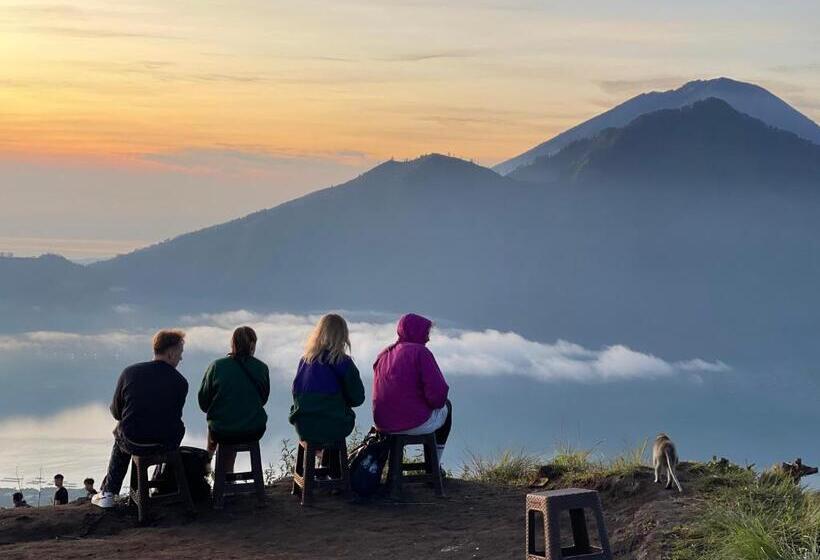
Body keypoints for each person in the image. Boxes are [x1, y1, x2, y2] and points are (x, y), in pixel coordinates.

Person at [92, 329, 189, 509]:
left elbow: (116, 411)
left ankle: (108, 492)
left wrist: (122, 422)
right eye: (180, 353)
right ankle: (158, 482)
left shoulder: (130, 373)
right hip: (166, 443)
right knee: (170, 427)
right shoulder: (180, 382)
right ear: (171, 352)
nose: (180, 358)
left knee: (121, 429)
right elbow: (173, 414)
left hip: (134, 442)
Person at [372, 313, 452, 462]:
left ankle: (395, 472)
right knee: (447, 406)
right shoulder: (421, 353)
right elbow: (438, 395)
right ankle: (434, 465)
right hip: (412, 422)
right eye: (426, 333)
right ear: (416, 331)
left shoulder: (383, 354)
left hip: (382, 424)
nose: (428, 338)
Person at [198, 326, 270, 472]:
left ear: (233, 344)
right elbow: (263, 399)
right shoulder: (262, 368)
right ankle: (227, 476)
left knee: (221, 425)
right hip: (254, 429)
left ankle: (210, 460)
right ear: (252, 345)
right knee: (238, 422)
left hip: (222, 432)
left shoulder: (217, 366)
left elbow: (204, 403)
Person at [289, 314, 365, 446]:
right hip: (333, 427)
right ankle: (335, 464)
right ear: (343, 336)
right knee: (344, 418)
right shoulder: (344, 362)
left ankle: (319, 458)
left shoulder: (304, 361)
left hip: (303, 427)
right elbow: (357, 398)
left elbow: (296, 395)